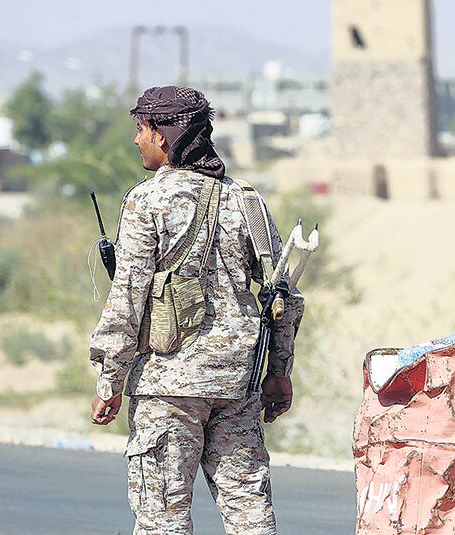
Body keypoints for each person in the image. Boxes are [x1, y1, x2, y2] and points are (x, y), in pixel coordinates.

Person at [89, 86, 304, 535]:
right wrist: (278, 371)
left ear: (163, 135)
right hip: (237, 383)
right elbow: (283, 295)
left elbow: (127, 298)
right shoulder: (248, 201)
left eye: (141, 129)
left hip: (168, 388)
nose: (136, 140)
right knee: (249, 511)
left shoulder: (146, 200)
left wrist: (109, 379)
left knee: (162, 516)